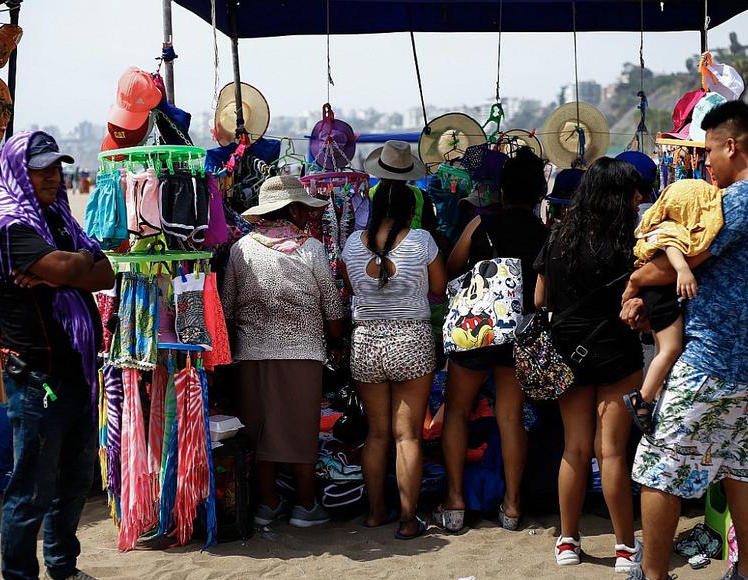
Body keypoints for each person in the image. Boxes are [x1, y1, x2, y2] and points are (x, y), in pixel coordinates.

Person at [591, 101, 748, 580]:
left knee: (659, 461)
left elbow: (690, 255)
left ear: (732, 145)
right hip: (743, 353)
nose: (705, 164)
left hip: (712, 356)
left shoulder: (747, 196)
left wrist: (637, 279)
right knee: (736, 464)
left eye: (707, 151)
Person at [0, 131, 119, 580]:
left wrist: (70, 271)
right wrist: (70, 268)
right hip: (35, 378)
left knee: (74, 478)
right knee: (29, 491)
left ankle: (61, 572)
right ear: (18, 172)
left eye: (57, 167)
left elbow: (104, 274)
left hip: (73, 370)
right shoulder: (8, 228)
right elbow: (75, 264)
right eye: (42, 169)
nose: (54, 177)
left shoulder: (56, 220)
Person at [533, 158, 646, 570]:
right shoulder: (630, 242)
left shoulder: (560, 236)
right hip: (617, 349)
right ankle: (624, 548)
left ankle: (567, 541)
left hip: (568, 350)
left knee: (575, 449)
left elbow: (539, 298)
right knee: (612, 452)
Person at [434, 147, 549, 533]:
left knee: (455, 412)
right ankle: (513, 507)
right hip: (519, 335)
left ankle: (453, 503)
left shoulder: (481, 224)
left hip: (476, 330)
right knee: (510, 418)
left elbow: (452, 267)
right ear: (538, 195)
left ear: (502, 190)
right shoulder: (544, 233)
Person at [222, 175, 344, 529]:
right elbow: (333, 310)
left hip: (251, 354)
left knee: (259, 430)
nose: (308, 214)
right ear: (292, 210)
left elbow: (227, 307)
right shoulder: (311, 250)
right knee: (300, 429)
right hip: (302, 354)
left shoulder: (241, 249)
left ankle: (268, 505)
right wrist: (335, 339)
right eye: (304, 208)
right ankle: (305, 505)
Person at [340, 180, 447, 539]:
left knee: (377, 434)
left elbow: (352, 289)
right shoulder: (421, 241)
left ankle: (374, 513)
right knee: (407, 437)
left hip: (366, 342)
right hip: (411, 340)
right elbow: (438, 288)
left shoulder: (352, 245)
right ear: (408, 208)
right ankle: (406, 518)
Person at [623, 180, 725, 432]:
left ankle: (655, 397)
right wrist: (682, 270)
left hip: (656, 295)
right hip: (661, 295)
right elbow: (672, 247)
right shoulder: (672, 229)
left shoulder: (663, 225)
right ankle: (643, 399)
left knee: (662, 349)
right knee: (671, 348)